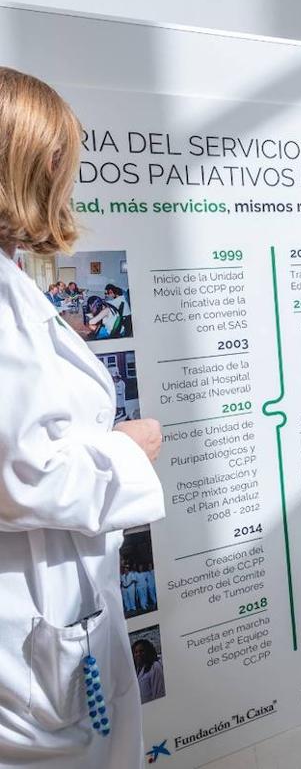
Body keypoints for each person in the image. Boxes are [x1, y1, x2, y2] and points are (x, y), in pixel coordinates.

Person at [0, 67, 166, 766]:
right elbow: (21, 474)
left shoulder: (16, 288)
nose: (67, 174)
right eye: (62, 155)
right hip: (34, 609)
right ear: (34, 160)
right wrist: (128, 448)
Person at [131, 640, 165, 704]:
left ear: (148, 651)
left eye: (141, 651)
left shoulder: (155, 666)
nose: (138, 654)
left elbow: (159, 693)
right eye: (136, 652)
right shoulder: (138, 668)